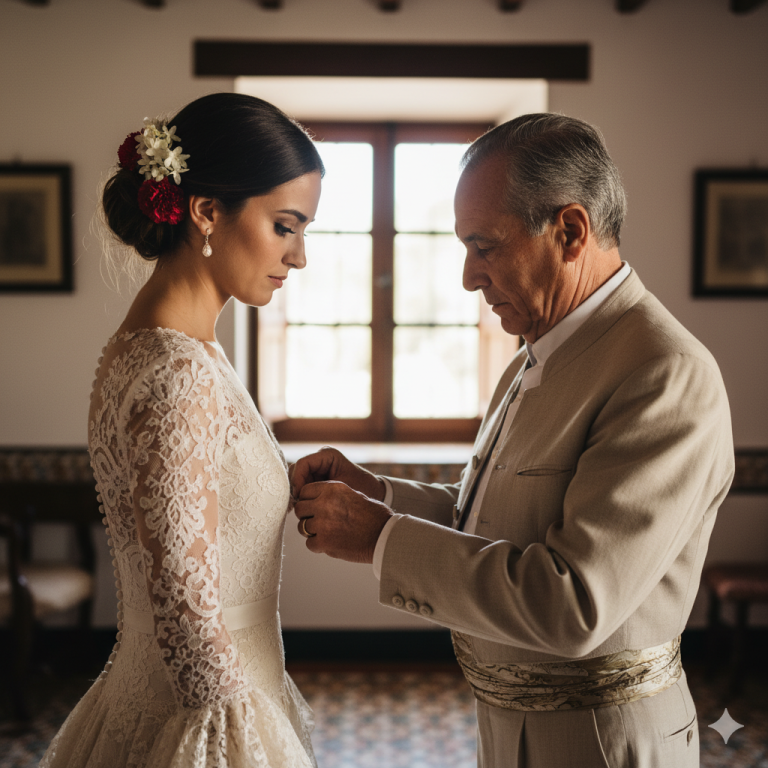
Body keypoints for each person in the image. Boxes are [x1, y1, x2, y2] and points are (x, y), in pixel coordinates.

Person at [291, 114, 734, 767]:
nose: (470, 277)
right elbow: (497, 519)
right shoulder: (533, 357)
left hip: (605, 745)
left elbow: (574, 603)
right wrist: (379, 495)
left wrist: (381, 538)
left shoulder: (663, 375)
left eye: (485, 246)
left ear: (570, 230)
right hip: (506, 731)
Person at [41, 93, 323, 768]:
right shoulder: (177, 371)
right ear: (205, 211)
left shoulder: (168, 351)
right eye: (286, 226)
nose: (300, 255)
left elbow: (197, 514)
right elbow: (186, 613)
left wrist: (281, 481)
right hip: (204, 720)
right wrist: (238, 746)